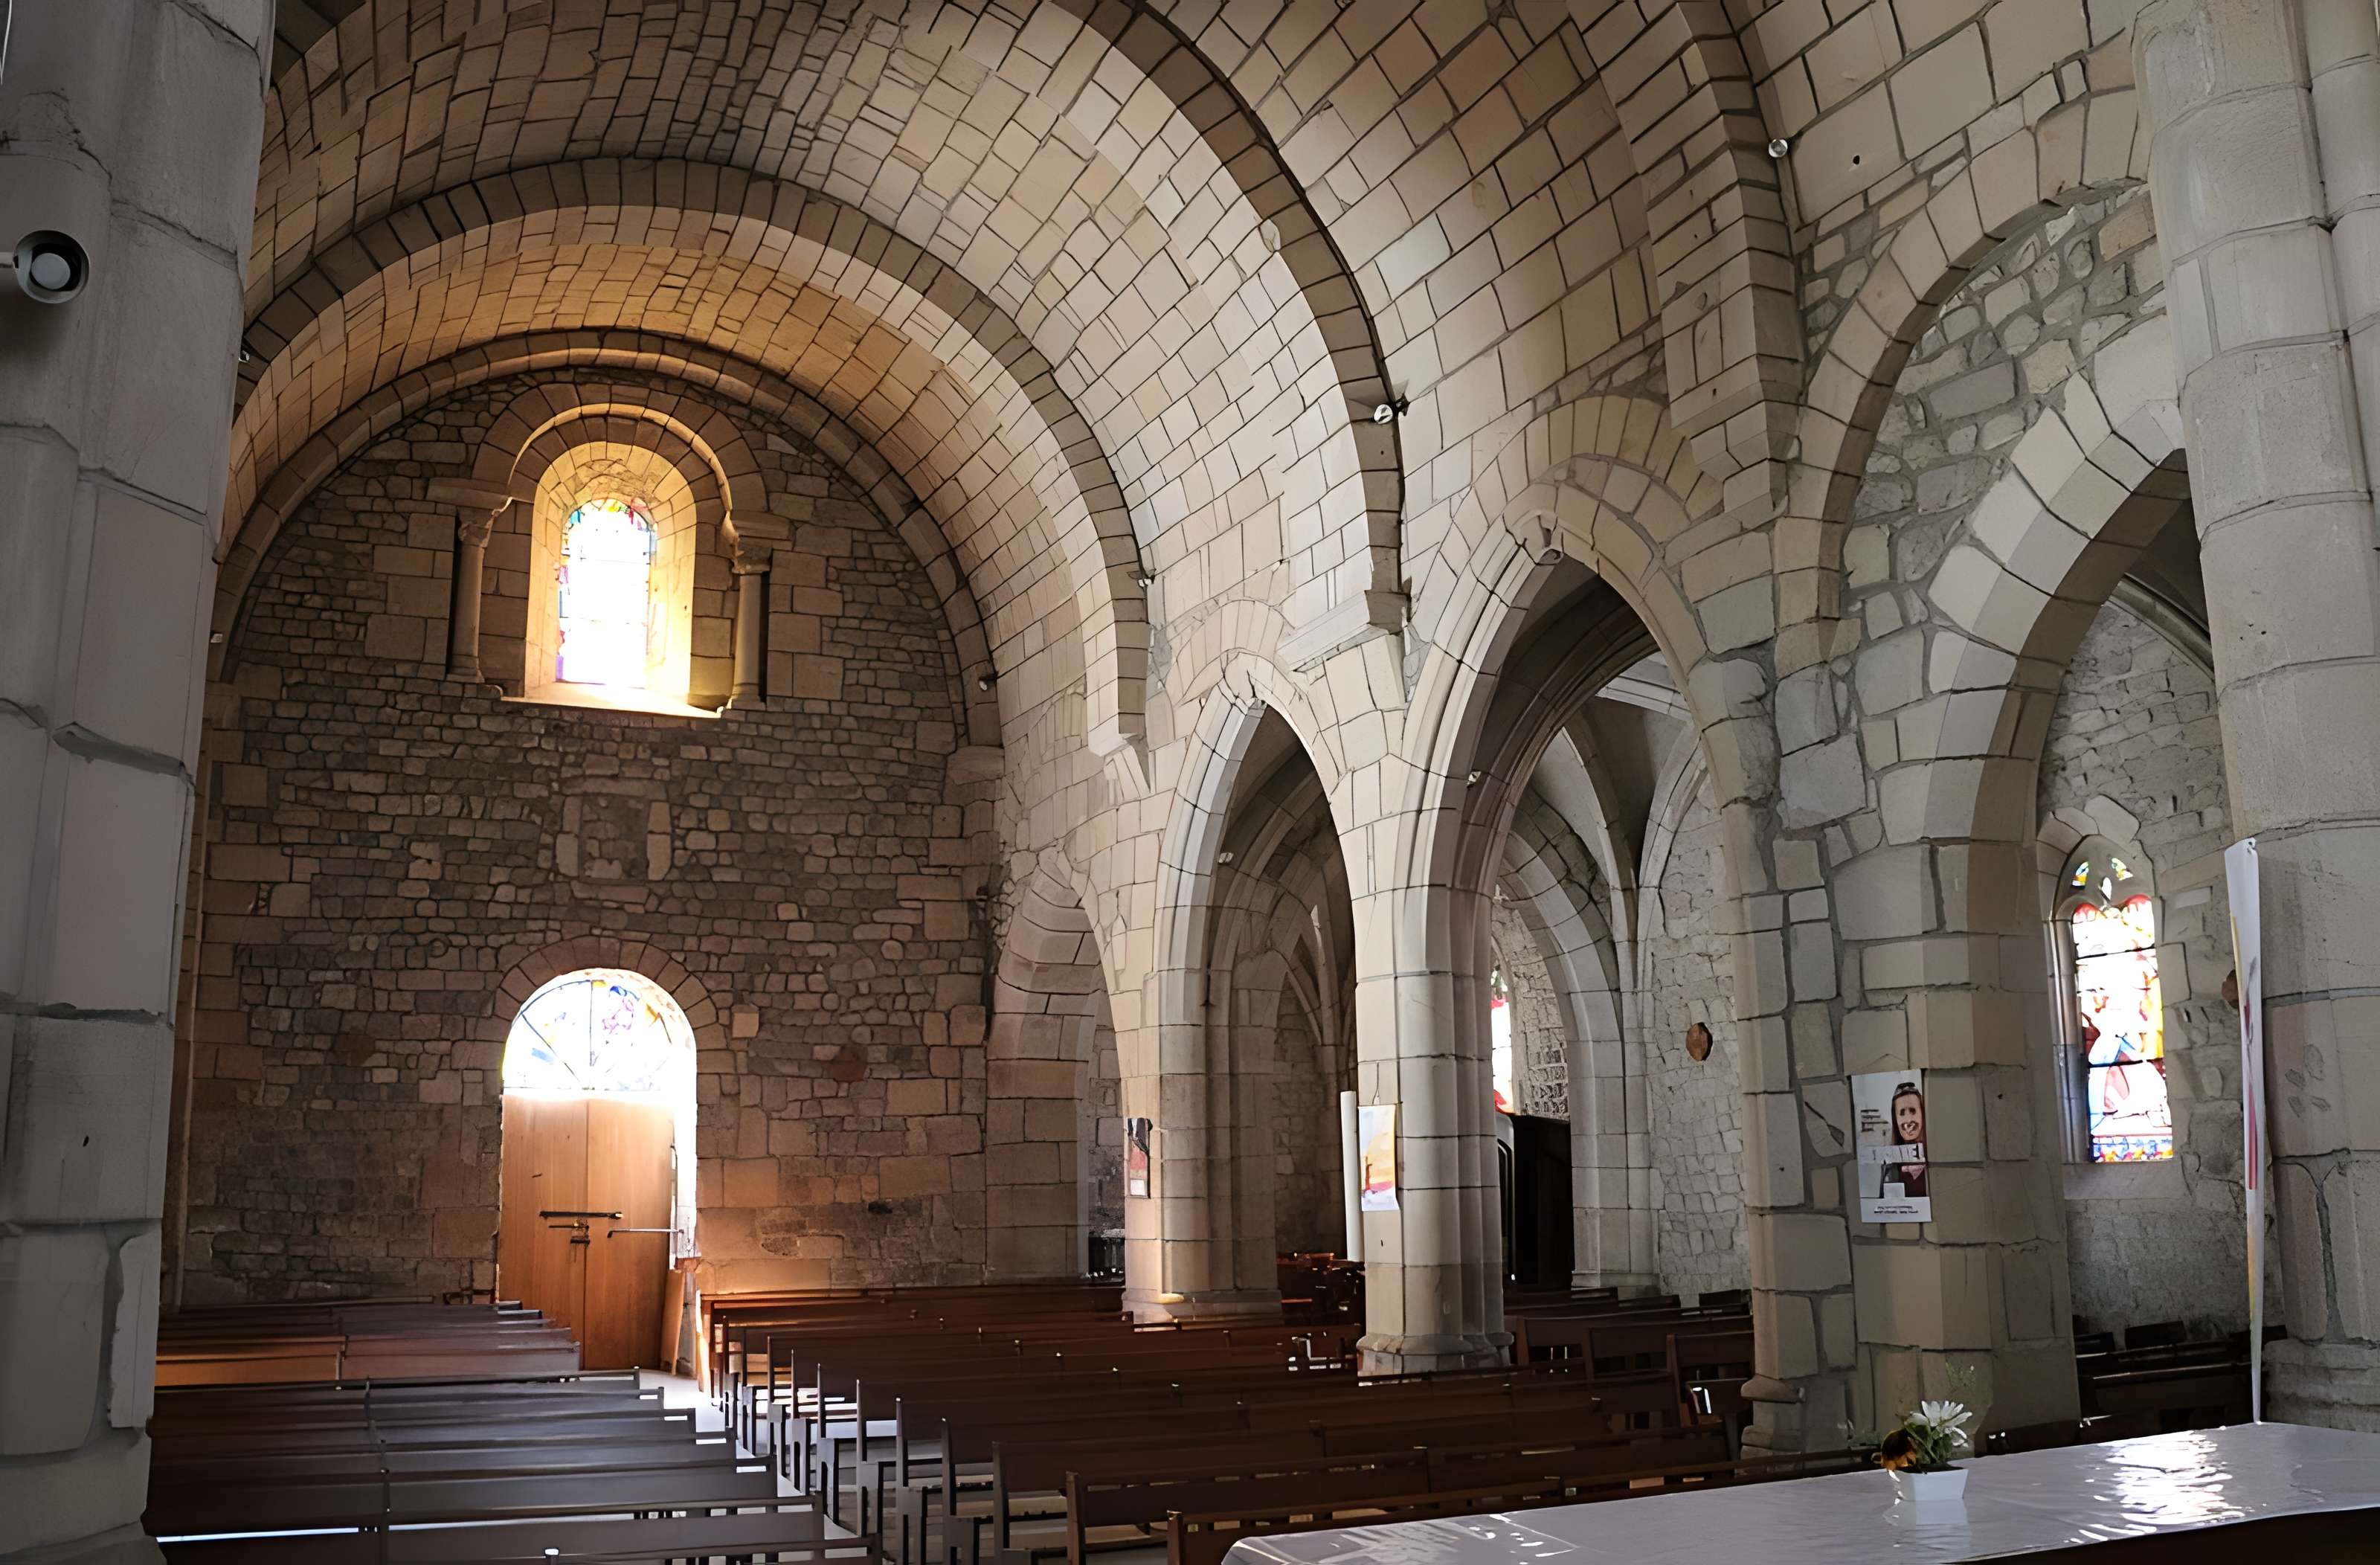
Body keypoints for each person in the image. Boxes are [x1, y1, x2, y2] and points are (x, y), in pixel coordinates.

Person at [1884, 1081, 1928, 1198]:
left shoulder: (1934, 1156)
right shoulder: (1890, 1166)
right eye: (1902, 1113)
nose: (1908, 1120)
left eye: (1913, 1111)